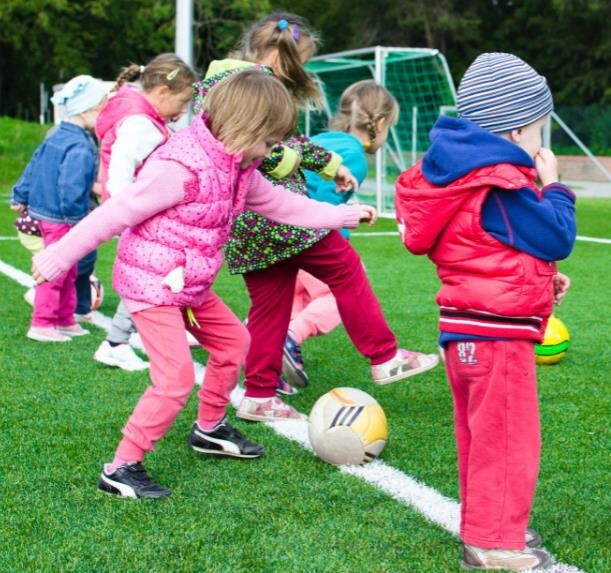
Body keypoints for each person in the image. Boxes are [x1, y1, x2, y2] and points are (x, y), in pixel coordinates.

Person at [31, 70, 377, 499]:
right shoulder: (179, 167)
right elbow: (114, 213)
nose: (273, 153)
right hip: (152, 285)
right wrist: (58, 257)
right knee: (175, 379)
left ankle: (209, 429)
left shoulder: (239, 165)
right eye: (270, 143)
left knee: (235, 343)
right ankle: (120, 467)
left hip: (188, 284)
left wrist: (341, 215)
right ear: (245, 128)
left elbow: (280, 204)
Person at [194, 13, 438, 422]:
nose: (300, 72)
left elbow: (287, 141)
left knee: (271, 305)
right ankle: (384, 356)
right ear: (277, 55)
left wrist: (330, 166)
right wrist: (298, 167)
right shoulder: (249, 86)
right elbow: (262, 150)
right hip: (277, 215)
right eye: (299, 63)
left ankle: (258, 395)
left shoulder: (223, 81)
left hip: (247, 224)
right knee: (345, 268)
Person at [394, 53, 576, 571]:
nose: (543, 143)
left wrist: (540, 283)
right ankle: (494, 544)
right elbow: (557, 234)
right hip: (496, 339)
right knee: (508, 441)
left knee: (481, 439)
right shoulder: (499, 184)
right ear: (516, 129)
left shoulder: (462, 178)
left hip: (467, 331)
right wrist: (556, 185)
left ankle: (488, 526)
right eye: (540, 130)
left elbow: (487, 250)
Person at [281, 80, 400, 390]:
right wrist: (345, 218)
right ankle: (290, 339)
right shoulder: (355, 157)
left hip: (279, 232)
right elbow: (322, 201)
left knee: (289, 300)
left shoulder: (324, 139)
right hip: (308, 237)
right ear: (381, 123)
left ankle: (261, 352)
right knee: (339, 294)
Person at [91, 53, 198, 372]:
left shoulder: (143, 116)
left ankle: (132, 335)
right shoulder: (141, 124)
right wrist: (130, 211)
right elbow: (121, 173)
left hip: (140, 212)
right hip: (139, 215)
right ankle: (115, 342)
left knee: (160, 272)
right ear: (162, 93)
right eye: (182, 102)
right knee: (151, 275)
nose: (181, 114)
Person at [11, 75, 109, 343]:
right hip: (62, 217)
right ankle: (42, 323)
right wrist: (77, 220)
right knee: (56, 269)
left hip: (49, 213)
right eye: (102, 109)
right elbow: (71, 185)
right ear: (87, 110)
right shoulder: (79, 144)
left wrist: (20, 193)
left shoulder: (57, 135)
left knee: (69, 269)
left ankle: (64, 319)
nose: (104, 116)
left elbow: (34, 164)